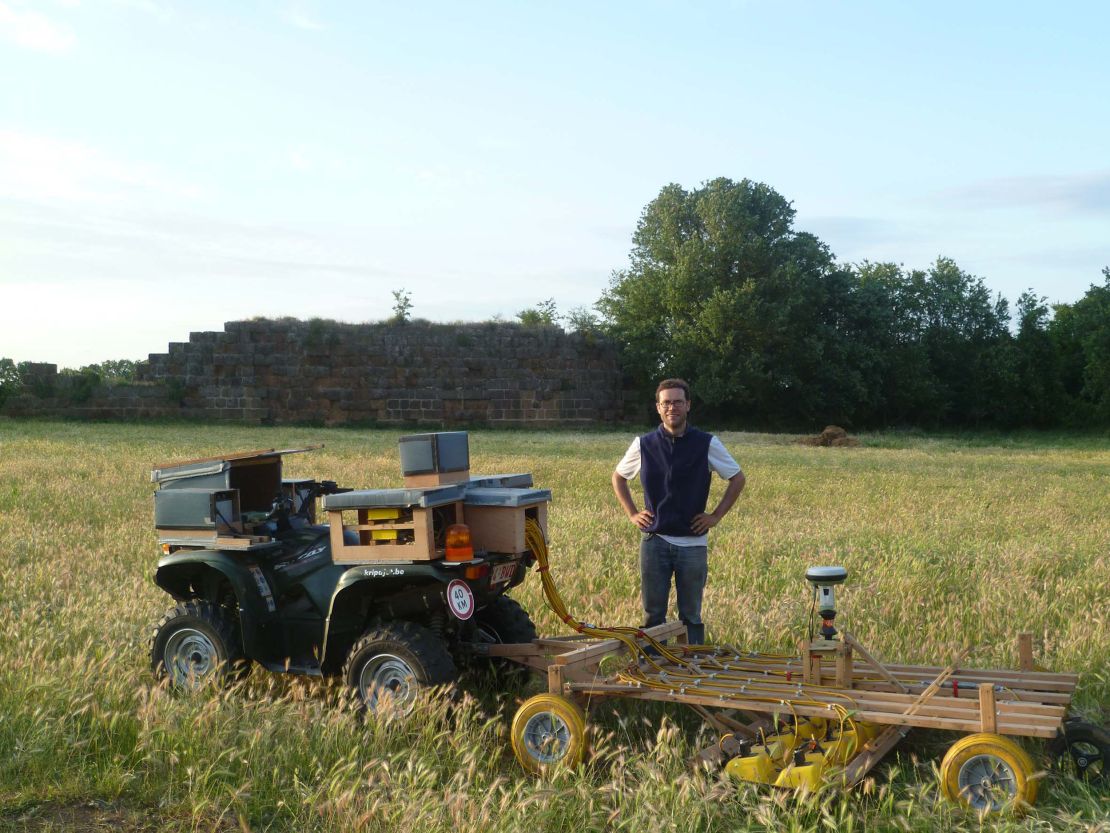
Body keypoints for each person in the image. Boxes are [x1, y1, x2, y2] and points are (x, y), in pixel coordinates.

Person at [611, 379, 745, 645]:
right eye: (667, 402)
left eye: (678, 402)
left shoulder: (707, 443)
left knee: (691, 617)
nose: (672, 407)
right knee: (653, 616)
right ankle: (654, 670)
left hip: (693, 544)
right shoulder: (644, 444)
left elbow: (737, 478)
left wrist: (715, 516)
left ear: (688, 406)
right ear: (658, 408)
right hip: (654, 542)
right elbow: (618, 477)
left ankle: (690, 669)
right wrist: (633, 513)